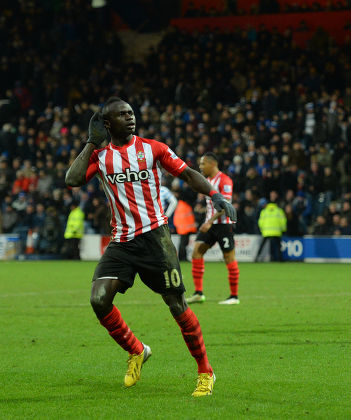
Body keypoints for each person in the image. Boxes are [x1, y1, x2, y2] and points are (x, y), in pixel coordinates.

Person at [65, 97, 236, 397]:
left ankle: (205, 371)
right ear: (107, 124)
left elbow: (187, 173)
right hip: (122, 242)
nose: (130, 118)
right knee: (99, 299)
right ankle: (137, 350)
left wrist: (215, 196)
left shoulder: (152, 148)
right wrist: (91, 144)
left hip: (156, 239)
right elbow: (72, 179)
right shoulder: (101, 156)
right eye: (122, 115)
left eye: (131, 113)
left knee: (176, 306)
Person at [186, 152, 240, 305]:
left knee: (229, 258)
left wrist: (209, 221)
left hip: (224, 225)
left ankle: (234, 297)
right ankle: (198, 293)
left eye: (203, 164)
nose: (200, 167)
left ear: (212, 164)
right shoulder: (207, 181)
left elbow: (226, 205)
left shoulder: (225, 180)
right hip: (210, 224)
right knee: (196, 252)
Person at [256, 192, 287, 262]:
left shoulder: (264, 211)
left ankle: (257, 258)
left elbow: (260, 222)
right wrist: (283, 230)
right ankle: (280, 259)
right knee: (278, 246)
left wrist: (262, 230)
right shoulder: (279, 211)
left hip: (266, 232)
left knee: (262, 246)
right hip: (277, 232)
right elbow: (283, 222)